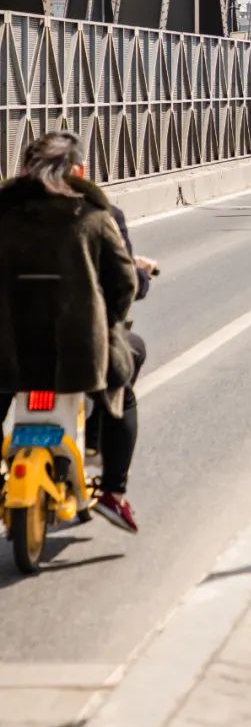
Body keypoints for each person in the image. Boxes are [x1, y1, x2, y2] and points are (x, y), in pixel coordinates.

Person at [0, 132, 145, 534]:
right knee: (122, 391)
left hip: (8, 352)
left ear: (25, 168)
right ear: (78, 170)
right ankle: (113, 493)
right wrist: (107, 323)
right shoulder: (95, 217)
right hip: (77, 354)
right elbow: (125, 286)